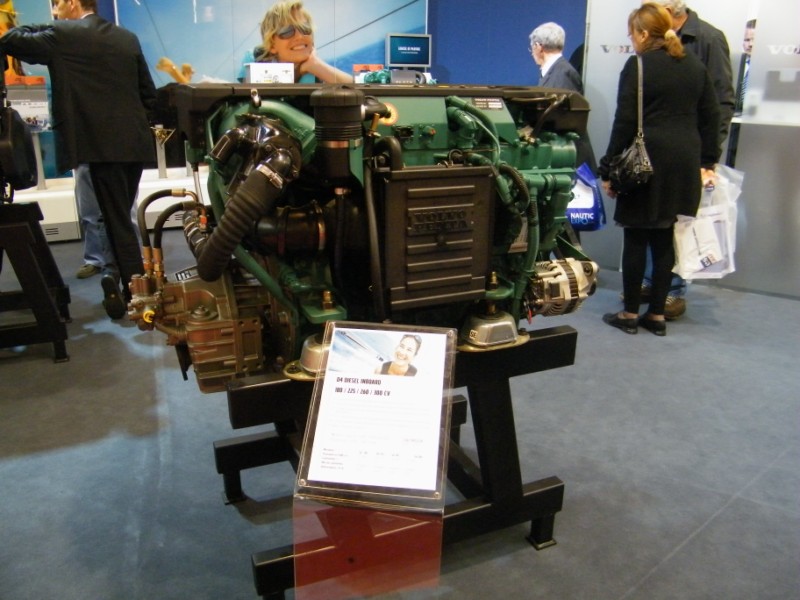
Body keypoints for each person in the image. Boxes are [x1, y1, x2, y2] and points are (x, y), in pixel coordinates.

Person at [1, 0, 156, 320]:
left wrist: (51, 25)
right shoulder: (126, 37)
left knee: (116, 220)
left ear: (72, 3)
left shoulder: (63, 34)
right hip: (135, 143)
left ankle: (136, 292)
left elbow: (11, 39)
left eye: (57, 5)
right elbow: (148, 93)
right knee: (119, 214)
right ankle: (119, 277)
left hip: (100, 147)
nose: (54, 11)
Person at [599, 2, 720, 336]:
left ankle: (629, 314)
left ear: (642, 33)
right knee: (666, 237)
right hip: (683, 162)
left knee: (636, 237)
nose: (631, 40)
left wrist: (607, 169)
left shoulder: (637, 66)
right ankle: (656, 316)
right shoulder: (694, 65)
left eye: (631, 34)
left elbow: (624, 122)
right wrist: (708, 161)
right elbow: (711, 116)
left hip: (646, 162)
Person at [632, 0, 735, 320]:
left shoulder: (708, 39)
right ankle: (653, 284)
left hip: (688, 154)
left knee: (677, 226)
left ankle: (673, 290)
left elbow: (721, 102)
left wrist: (708, 158)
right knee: (657, 223)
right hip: (664, 153)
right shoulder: (654, 49)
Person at [254, 1, 352, 84]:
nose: (299, 36)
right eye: (287, 31)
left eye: (304, 28)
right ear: (272, 46)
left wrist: (315, 64)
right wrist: (299, 71)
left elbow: (357, 91)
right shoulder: (255, 77)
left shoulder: (318, 74)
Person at [74, 164, 115, 279]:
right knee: (90, 213)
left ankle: (133, 258)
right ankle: (95, 260)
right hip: (85, 159)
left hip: (121, 158)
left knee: (126, 212)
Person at [726, 19, 756, 167]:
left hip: (756, 127)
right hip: (733, 122)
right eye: (746, 40)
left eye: (754, 40)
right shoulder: (734, 62)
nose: (750, 44)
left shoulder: (769, 66)